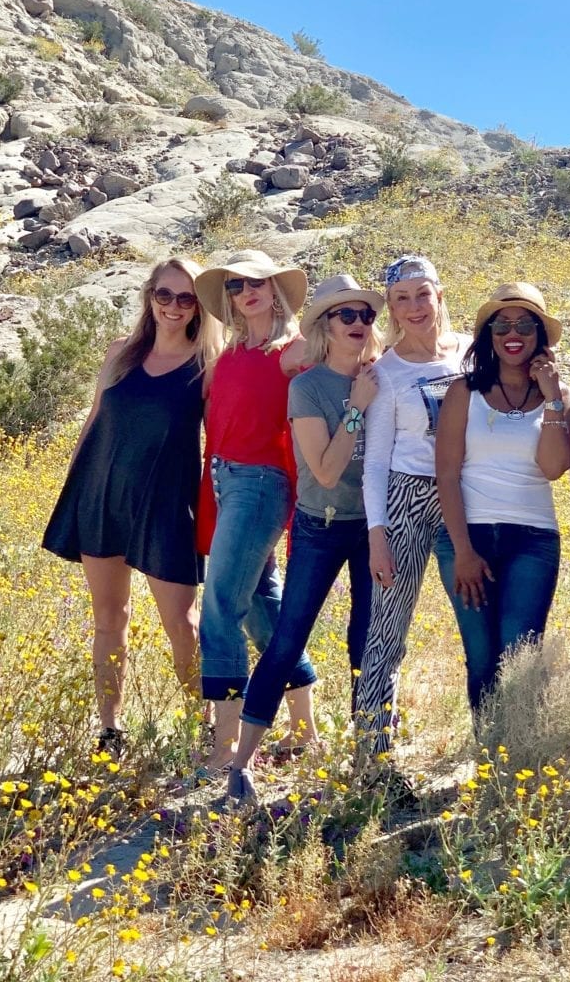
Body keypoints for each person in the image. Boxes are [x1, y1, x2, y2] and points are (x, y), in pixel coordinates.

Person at [42, 257, 223, 757]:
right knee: (108, 618)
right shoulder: (120, 353)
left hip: (167, 506)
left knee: (182, 624)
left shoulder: (206, 368)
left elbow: (223, 440)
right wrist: (73, 492)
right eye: (164, 295)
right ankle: (109, 730)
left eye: (185, 298)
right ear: (149, 296)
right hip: (102, 497)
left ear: (198, 308)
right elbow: (95, 420)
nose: (172, 306)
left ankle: (201, 725)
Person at [227, 274, 384, 806]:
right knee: (288, 637)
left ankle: (371, 757)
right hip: (321, 525)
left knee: (368, 640)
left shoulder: (382, 375)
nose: (359, 324)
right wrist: (358, 407)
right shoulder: (308, 386)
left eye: (366, 315)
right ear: (325, 325)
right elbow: (323, 467)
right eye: (347, 315)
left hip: (375, 528)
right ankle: (242, 762)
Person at [192, 249, 318, 772]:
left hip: (261, 485)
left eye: (258, 283)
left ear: (275, 290)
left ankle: (226, 752)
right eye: (238, 286)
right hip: (223, 482)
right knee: (266, 611)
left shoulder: (292, 351)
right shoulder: (229, 354)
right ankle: (307, 733)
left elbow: (353, 357)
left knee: (220, 607)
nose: (248, 292)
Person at [434, 283, 570, 716]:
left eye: (525, 324)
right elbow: (446, 472)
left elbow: (553, 467)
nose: (512, 333)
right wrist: (463, 552)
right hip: (467, 535)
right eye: (502, 324)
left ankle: (520, 758)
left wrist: (551, 397)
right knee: (481, 658)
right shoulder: (465, 391)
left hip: (532, 539)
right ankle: (490, 765)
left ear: (540, 335)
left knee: (520, 655)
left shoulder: (563, 397)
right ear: (489, 334)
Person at [355, 256, 470, 757]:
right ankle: (372, 755)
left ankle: (493, 747)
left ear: (439, 295)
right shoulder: (387, 372)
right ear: (392, 310)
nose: (415, 307)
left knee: (479, 621)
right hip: (406, 496)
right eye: (402, 299)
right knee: (388, 627)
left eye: (422, 294)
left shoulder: (469, 354)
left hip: (467, 496)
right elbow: (376, 460)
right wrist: (377, 535)